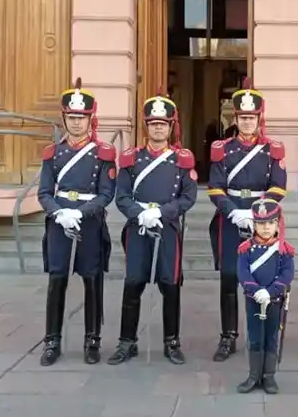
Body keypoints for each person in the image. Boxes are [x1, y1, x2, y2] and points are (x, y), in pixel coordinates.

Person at [108, 91, 197, 366]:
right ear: (146, 126)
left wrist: (162, 212)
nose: (158, 127)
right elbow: (121, 196)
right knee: (133, 283)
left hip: (167, 229)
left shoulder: (182, 159)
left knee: (170, 286)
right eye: (153, 122)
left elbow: (188, 196)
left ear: (170, 127)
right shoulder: (131, 159)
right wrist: (139, 214)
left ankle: (172, 342)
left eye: (163, 123)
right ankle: (127, 341)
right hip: (139, 230)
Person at [37, 78, 116, 366]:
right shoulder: (52, 154)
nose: (77, 123)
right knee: (57, 280)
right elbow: (44, 192)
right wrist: (59, 212)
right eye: (72, 117)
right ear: (64, 119)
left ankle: (92, 339)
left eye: (82, 118)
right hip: (59, 223)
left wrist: (80, 212)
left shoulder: (103, 154)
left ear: (90, 119)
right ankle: (52, 341)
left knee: (92, 280)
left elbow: (107, 193)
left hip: (89, 222)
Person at [207, 77, 287, 362]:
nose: (247, 122)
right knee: (229, 278)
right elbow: (215, 186)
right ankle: (228, 336)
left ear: (259, 118)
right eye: (242, 117)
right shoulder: (222, 149)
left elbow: (278, 186)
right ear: (235, 117)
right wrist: (233, 211)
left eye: (252, 117)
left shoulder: (271, 150)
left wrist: (257, 213)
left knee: (262, 280)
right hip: (231, 220)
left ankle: (262, 334)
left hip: (262, 223)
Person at [235, 198, 295, 395]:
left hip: (274, 301)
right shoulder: (246, 248)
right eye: (261, 224)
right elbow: (243, 273)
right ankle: (253, 376)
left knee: (271, 337)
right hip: (253, 301)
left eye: (270, 223)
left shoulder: (284, 249)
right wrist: (255, 290)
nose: (266, 228)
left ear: (278, 223)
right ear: (254, 225)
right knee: (254, 338)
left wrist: (270, 292)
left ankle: (268, 376)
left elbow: (287, 274)